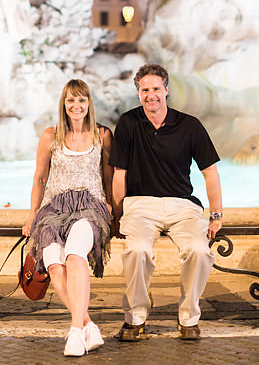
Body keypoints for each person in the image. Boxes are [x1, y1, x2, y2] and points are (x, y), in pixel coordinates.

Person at [111, 63, 223, 341]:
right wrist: (116, 214)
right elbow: (119, 175)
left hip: (183, 207)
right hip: (139, 206)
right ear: (138, 93)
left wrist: (217, 214)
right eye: (145, 90)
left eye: (156, 89)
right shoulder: (128, 123)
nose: (151, 95)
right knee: (136, 250)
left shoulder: (189, 125)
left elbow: (210, 173)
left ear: (166, 90)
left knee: (199, 250)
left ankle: (188, 317)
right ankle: (135, 316)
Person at [23, 79, 114, 357]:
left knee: (75, 256)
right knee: (53, 264)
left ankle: (75, 330)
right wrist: (32, 215)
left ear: (89, 104)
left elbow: (108, 176)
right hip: (53, 209)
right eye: (71, 100)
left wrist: (113, 208)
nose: (77, 106)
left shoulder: (102, 135)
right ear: (63, 104)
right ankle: (88, 325)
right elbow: (39, 178)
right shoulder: (50, 136)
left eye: (82, 100)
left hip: (89, 206)